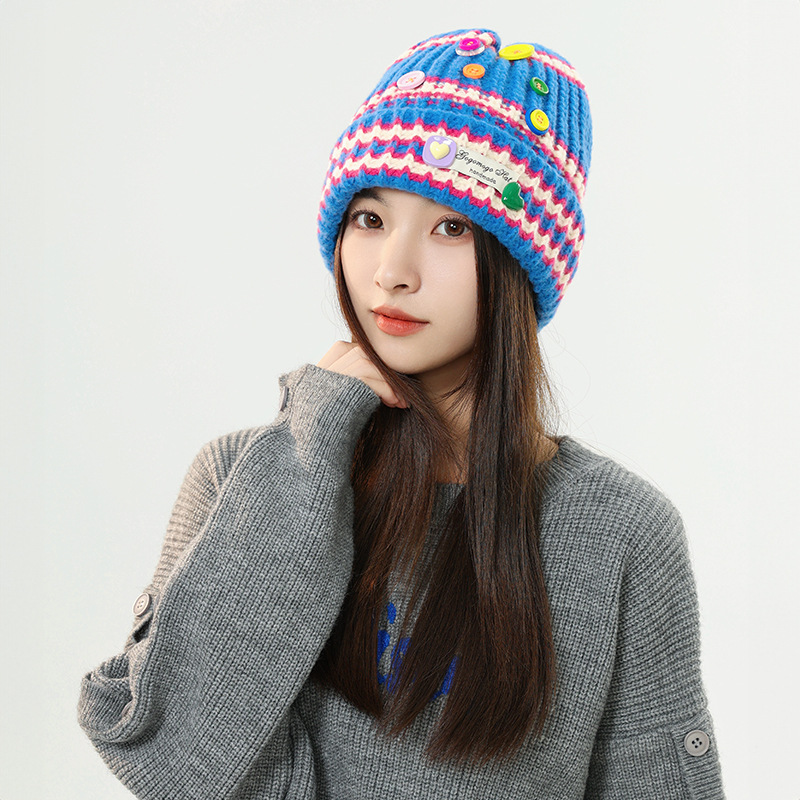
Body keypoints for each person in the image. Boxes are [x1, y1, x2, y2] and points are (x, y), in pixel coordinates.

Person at [77, 28, 726, 798]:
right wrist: (309, 445)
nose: (392, 271)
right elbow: (171, 760)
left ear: (520, 263)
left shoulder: (620, 530)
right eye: (370, 219)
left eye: (451, 227)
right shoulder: (243, 477)